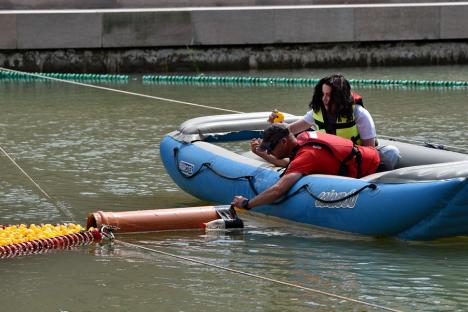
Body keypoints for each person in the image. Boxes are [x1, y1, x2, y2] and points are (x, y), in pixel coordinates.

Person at [232, 124, 399, 210]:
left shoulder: (306, 156)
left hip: (378, 167)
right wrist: (264, 155)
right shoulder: (303, 141)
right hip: (374, 157)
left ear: (284, 142)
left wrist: (247, 204)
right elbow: (288, 163)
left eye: (271, 148)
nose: (270, 152)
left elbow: (278, 190)